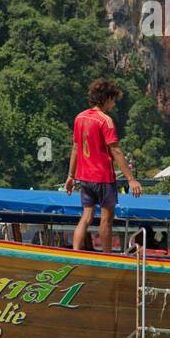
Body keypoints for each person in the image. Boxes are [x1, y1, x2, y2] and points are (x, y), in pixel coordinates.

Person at [64, 79, 143, 253]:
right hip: (103, 177)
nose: (114, 104)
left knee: (86, 216)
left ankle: (75, 253)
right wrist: (131, 179)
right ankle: (107, 256)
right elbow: (116, 151)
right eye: (113, 100)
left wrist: (71, 176)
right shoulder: (105, 121)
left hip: (84, 177)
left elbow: (76, 148)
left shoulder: (80, 118)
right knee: (106, 220)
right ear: (106, 98)